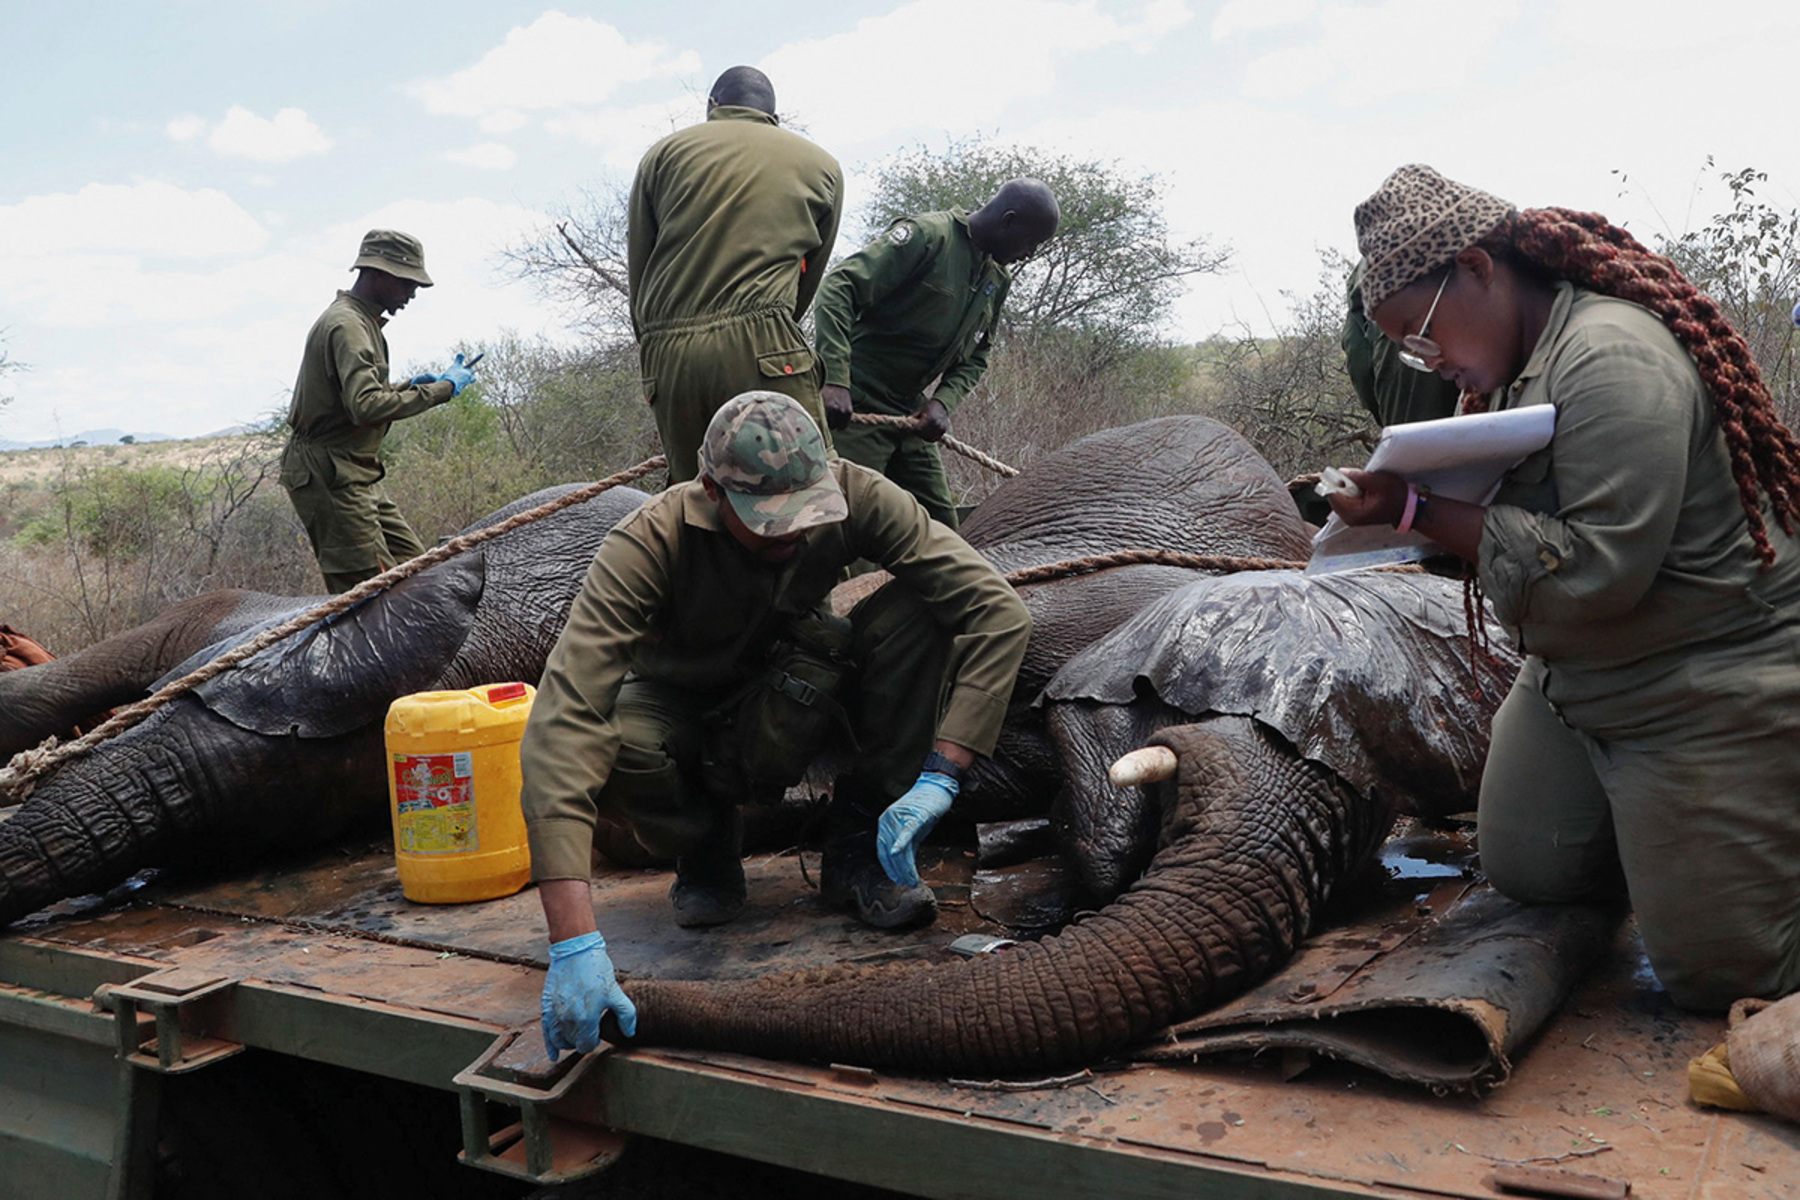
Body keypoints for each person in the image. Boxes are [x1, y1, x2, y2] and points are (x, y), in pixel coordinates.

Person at [1325, 164, 1800, 1010]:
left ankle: (1747, 817)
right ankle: (1694, 841)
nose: (1429, 361)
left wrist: (1412, 508)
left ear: (1477, 267)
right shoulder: (1514, 363)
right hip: (1575, 676)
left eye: (1423, 332)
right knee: (1532, 869)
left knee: (1724, 977)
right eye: (1409, 347)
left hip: (1701, 673)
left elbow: (1595, 575)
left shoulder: (1611, 360)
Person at [523, 391, 1031, 1058]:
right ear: (711, 491)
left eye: (804, 512)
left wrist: (943, 772)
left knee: (926, 613)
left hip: (802, 688)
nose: (791, 534)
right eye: (768, 519)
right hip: (685, 704)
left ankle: (859, 847)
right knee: (623, 743)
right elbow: (563, 722)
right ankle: (705, 846)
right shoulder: (647, 542)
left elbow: (996, 610)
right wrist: (574, 942)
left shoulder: (858, 494)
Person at [627, 66, 843, 483]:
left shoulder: (663, 154)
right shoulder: (821, 166)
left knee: (698, 501)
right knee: (806, 493)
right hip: (764, 344)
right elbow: (808, 276)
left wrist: (656, 342)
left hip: (669, 354)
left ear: (712, 107)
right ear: (774, 117)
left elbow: (641, 259)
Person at [813, 180, 1060, 529]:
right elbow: (838, 288)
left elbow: (977, 356)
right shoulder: (927, 237)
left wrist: (942, 402)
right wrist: (835, 380)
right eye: (1030, 242)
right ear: (1008, 221)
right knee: (850, 527)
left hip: (909, 415)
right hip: (854, 407)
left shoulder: (996, 279)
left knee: (942, 529)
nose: (1029, 254)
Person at [279, 230, 477, 592]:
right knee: (372, 599)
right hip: (330, 474)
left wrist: (410, 386)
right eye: (408, 283)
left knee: (419, 572)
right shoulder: (348, 326)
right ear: (379, 274)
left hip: (354, 472)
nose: (412, 294)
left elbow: (355, 397)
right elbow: (365, 406)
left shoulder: (361, 322)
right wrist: (442, 390)